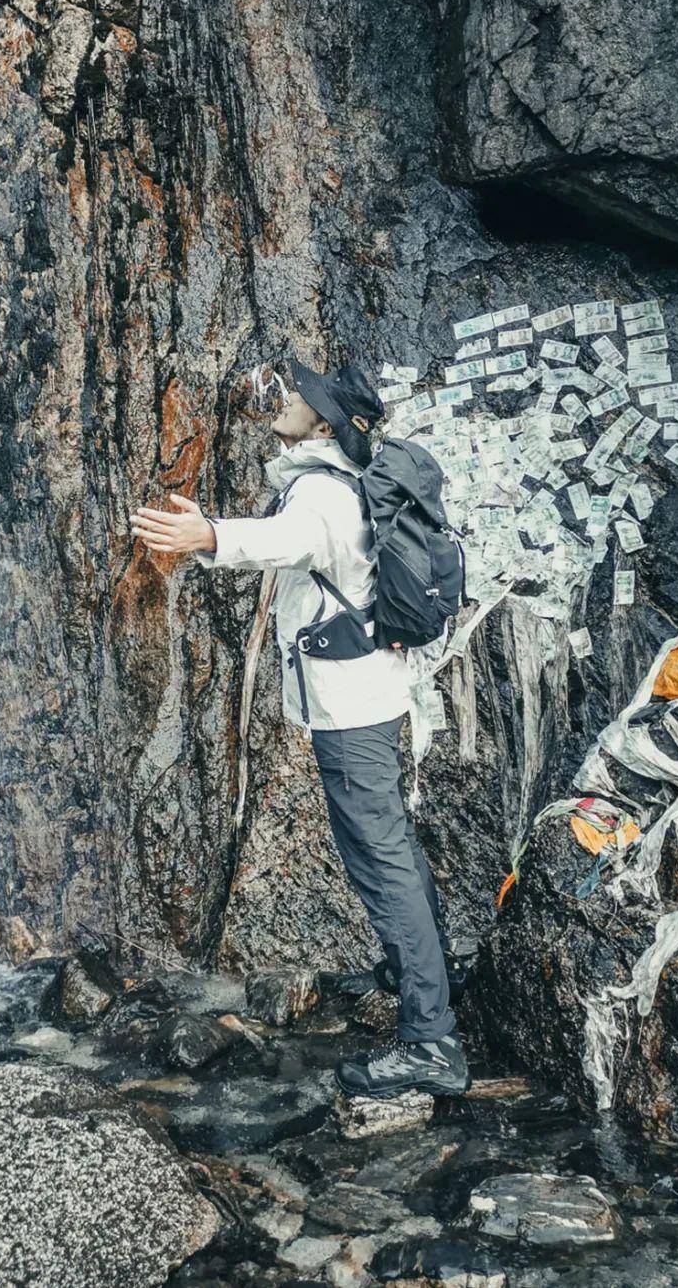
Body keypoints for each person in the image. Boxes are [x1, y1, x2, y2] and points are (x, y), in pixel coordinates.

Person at [128, 358, 470, 1098]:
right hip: (370, 697)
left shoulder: (319, 490)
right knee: (393, 853)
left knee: (381, 868)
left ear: (325, 422)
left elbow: (286, 542)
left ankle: (431, 1042)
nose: (285, 398)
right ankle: (425, 972)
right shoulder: (345, 477)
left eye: (302, 395)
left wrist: (208, 535)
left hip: (349, 711)